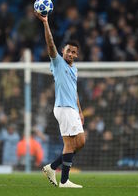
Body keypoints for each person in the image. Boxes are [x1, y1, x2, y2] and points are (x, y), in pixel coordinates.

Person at [35, 12, 85, 188]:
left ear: (76, 55)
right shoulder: (57, 62)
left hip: (72, 108)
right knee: (72, 143)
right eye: (68, 50)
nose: (70, 54)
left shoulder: (75, 70)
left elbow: (74, 91)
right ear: (63, 50)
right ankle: (64, 180)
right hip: (63, 108)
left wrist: (80, 110)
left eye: (73, 52)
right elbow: (50, 43)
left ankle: (52, 167)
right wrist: (45, 23)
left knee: (78, 143)